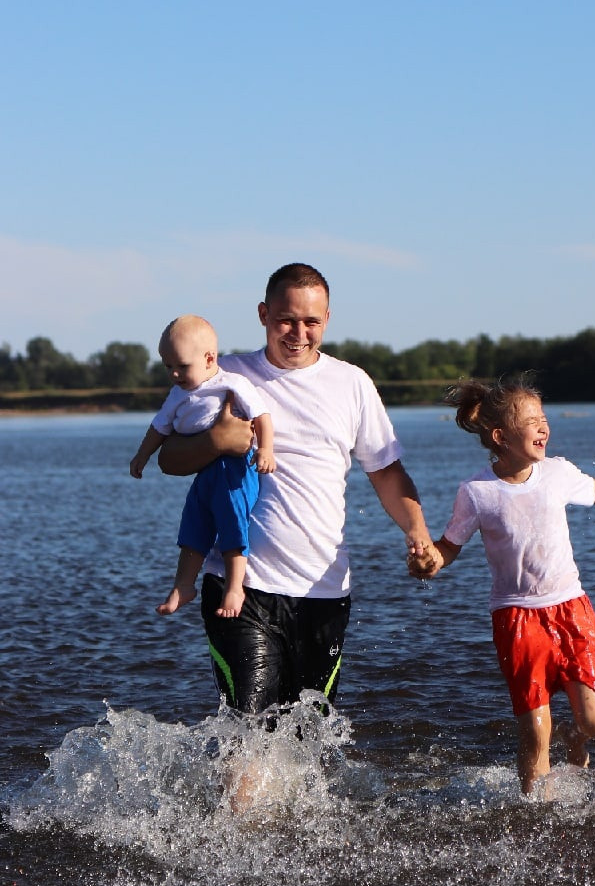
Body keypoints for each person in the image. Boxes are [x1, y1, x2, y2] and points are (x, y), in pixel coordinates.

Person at [156, 263, 440, 719]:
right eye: (286, 320)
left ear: (327, 319)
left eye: (311, 322)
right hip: (241, 587)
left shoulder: (352, 383)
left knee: (308, 736)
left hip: (324, 589)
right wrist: (215, 441)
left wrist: (419, 534)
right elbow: (168, 458)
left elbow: (387, 473)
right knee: (247, 730)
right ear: (263, 314)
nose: (298, 333)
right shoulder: (224, 376)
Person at [409, 374, 595, 794]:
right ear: (501, 437)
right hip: (516, 617)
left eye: (544, 418)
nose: (544, 427)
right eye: (532, 422)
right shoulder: (477, 492)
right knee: (534, 731)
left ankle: (574, 736)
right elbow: (450, 545)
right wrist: (430, 560)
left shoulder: (556, 472)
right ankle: (535, 813)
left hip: (570, 608)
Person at [130, 314, 276, 619]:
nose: (174, 374)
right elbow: (159, 428)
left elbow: (261, 416)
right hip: (206, 467)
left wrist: (266, 450)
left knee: (233, 521)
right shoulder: (177, 394)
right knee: (194, 522)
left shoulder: (232, 384)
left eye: (182, 366)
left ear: (209, 359)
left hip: (236, 469)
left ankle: (234, 587)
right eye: (168, 366)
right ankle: (183, 585)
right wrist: (142, 455)